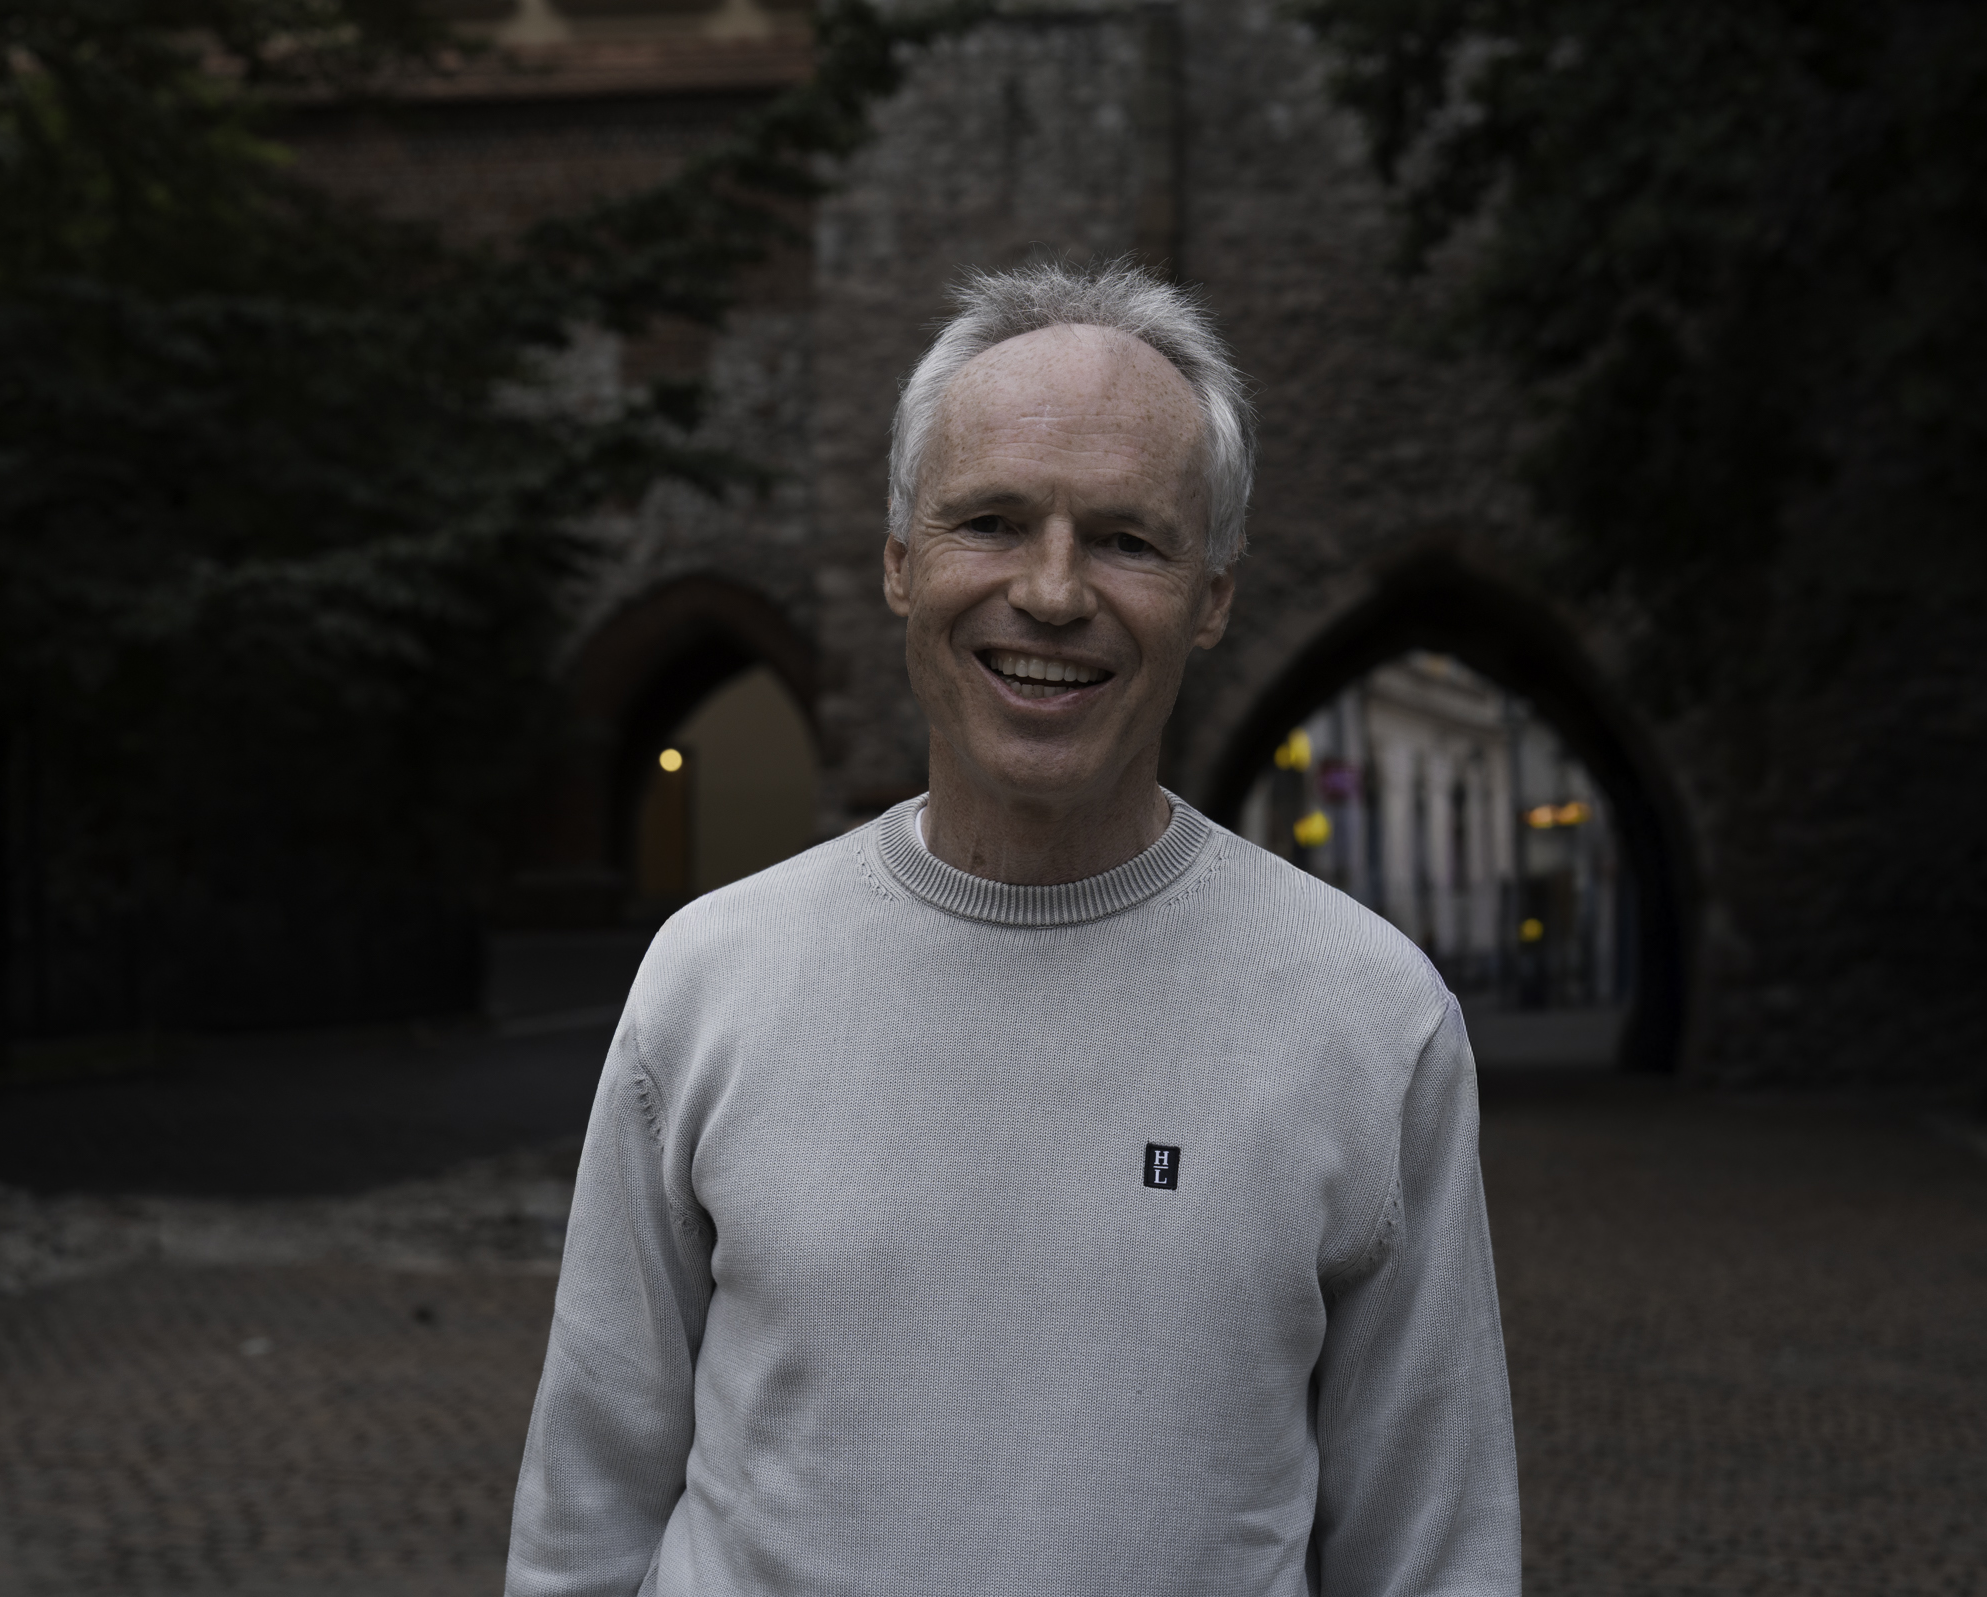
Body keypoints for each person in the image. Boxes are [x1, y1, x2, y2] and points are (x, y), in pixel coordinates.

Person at [506, 262, 1520, 1597]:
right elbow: (587, 1507)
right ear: (899, 564)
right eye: (990, 521)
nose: (1050, 591)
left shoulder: (1369, 1015)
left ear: (1212, 595)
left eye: (1127, 538)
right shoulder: (712, 977)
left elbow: (1433, 1555)